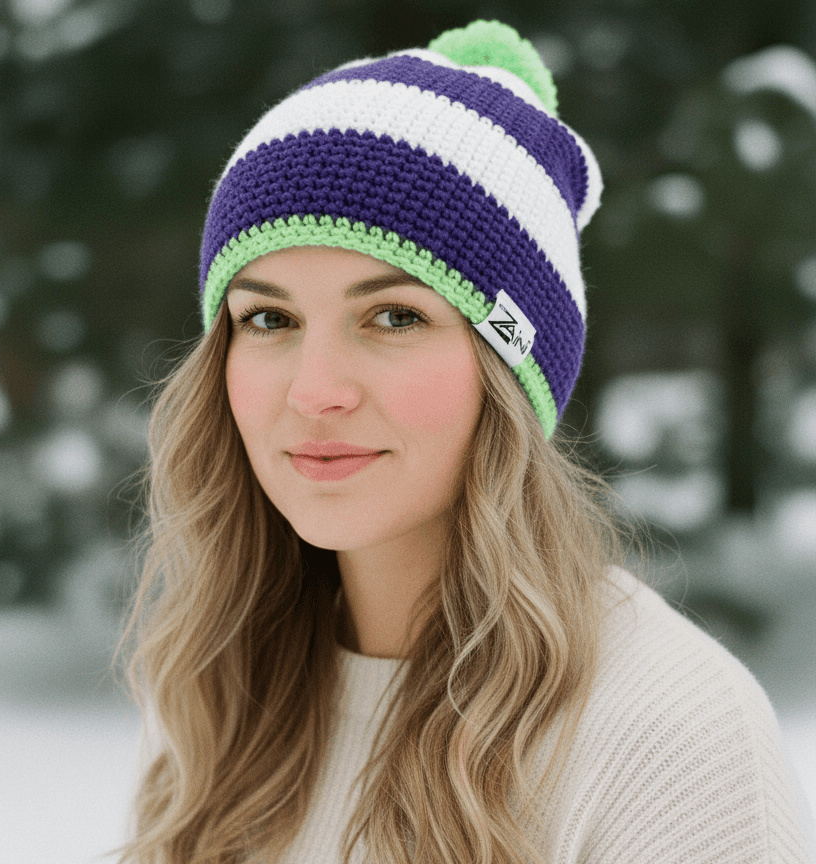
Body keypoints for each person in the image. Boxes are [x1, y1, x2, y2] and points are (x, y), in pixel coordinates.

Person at [114, 20, 813, 864]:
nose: (314, 390)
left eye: (394, 316)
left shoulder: (668, 739)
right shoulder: (218, 699)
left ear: (509, 368)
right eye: (268, 318)